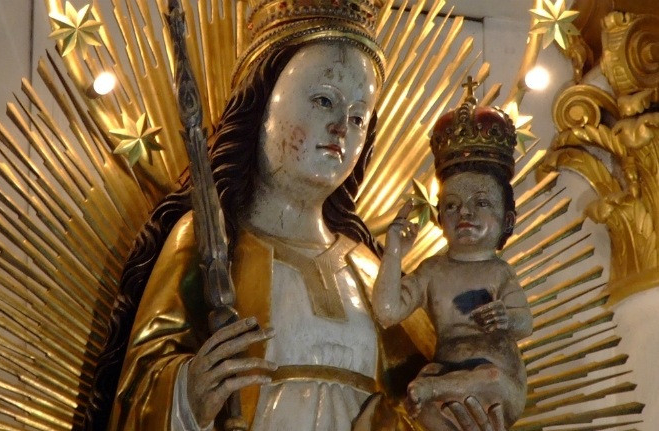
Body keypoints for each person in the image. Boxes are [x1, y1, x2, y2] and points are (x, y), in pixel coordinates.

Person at [86, 3, 512, 431]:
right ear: (261, 107)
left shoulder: (371, 273)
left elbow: (421, 398)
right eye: (323, 100)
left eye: (358, 117)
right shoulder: (210, 241)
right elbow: (138, 388)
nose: (341, 128)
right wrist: (186, 394)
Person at [372, 84, 533, 430]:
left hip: (497, 378)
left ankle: (436, 388)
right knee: (420, 409)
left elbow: (525, 323)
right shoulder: (433, 271)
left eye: (481, 202)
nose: (465, 213)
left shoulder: (499, 272)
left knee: (489, 377)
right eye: (452, 205)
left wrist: (505, 318)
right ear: (438, 218)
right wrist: (394, 252)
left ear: (507, 220)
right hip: (443, 375)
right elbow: (386, 312)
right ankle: (436, 388)